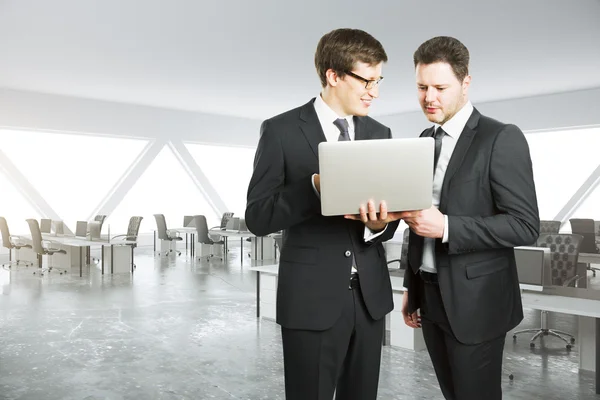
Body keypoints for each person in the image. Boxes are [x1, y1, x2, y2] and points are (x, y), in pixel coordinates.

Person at [245, 28, 400, 400]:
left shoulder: (381, 133)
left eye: (378, 81)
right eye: (366, 80)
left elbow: (386, 222)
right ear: (333, 75)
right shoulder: (281, 130)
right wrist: (314, 187)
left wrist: (379, 226)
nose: (374, 92)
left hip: (370, 299)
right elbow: (258, 216)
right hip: (310, 299)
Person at [399, 36, 540, 400]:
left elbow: (525, 225)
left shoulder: (500, 138)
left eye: (440, 87)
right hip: (428, 296)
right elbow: (417, 219)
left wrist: (447, 227)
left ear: (465, 83)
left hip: (477, 303)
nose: (429, 97)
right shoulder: (422, 139)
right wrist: (410, 287)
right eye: (421, 87)